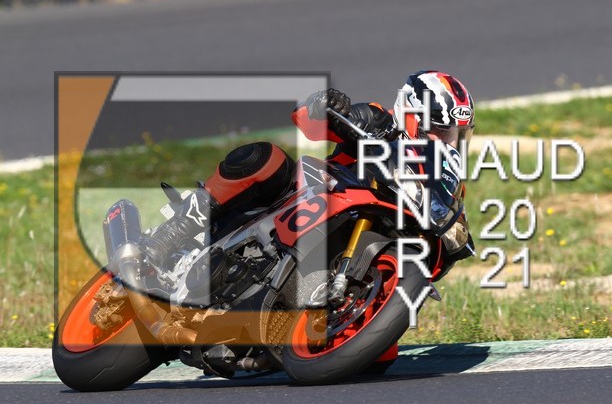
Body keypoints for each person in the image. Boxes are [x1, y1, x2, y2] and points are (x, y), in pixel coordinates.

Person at [141, 69, 475, 280]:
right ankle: (176, 230)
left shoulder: (444, 177)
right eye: (440, 130)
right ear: (412, 113)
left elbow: (445, 249)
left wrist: (453, 239)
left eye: (456, 135)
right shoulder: (380, 122)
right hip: (307, 200)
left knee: (380, 358)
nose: (446, 142)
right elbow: (308, 123)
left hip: (351, 250)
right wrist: (327, 105)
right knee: (267, 158)